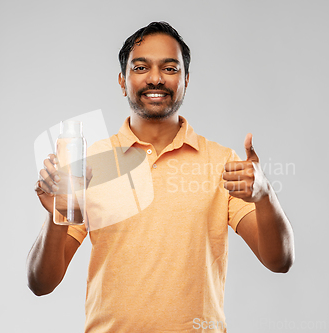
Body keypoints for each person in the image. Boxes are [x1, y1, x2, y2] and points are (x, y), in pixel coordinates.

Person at [27, 21, 294, 332]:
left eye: (169, 68)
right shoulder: (91, 166)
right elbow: (41, 283)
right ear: (122, 81)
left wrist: (264, 195)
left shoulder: (221, 162)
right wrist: (57, 212)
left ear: (186, 80)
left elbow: (279, 261)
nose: (155, 78)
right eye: (141, 67)